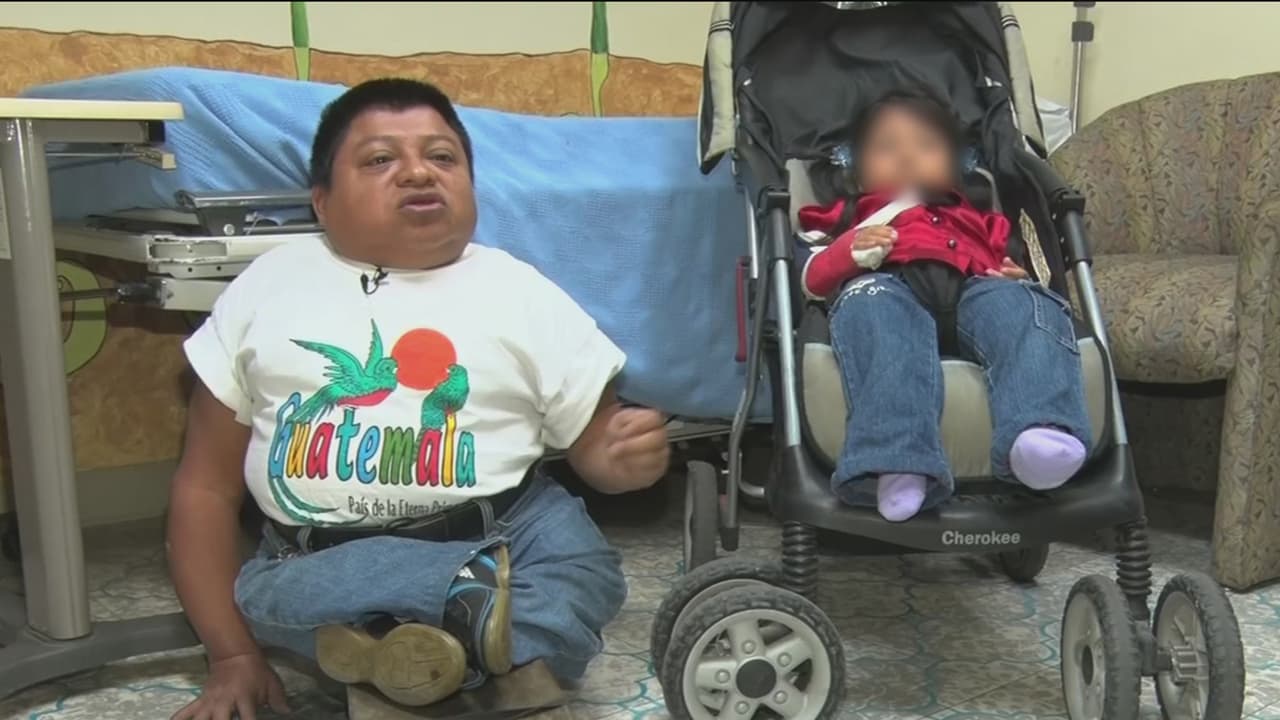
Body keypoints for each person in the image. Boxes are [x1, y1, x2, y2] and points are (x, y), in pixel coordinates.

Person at [166, 78, 671, 720]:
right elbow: (205, 488)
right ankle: (469, 660)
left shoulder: (520, 291)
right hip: (324, 555)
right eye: (380, 159)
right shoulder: (268, 286)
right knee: (272, 597)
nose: (416, 172)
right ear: (322, 201)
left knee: (582, 573)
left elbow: (593, 443)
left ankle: (398, 667)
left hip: (508, 534)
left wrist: (619, 458)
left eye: (442, 157)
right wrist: (232, 656)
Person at [798, 90, 1091, 523]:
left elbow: (1010, 265)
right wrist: (848, 250)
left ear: (955, 167)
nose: (907, 156)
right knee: (875, 313)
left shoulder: (981, 219)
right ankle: (898, 461)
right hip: (888, 286)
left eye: (927, 145)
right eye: (886, 147)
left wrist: (1015, 276)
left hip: (976, 285)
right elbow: (810, 280)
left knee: (1028, 306)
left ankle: (1039, 433)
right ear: (857, 173)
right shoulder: (847, 216)